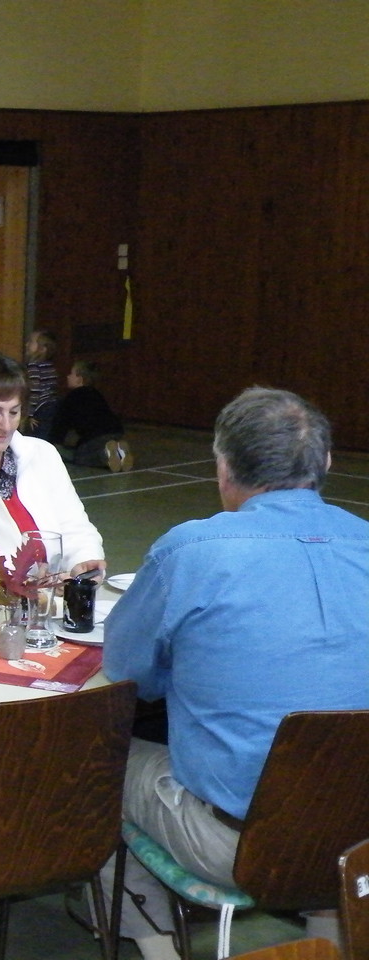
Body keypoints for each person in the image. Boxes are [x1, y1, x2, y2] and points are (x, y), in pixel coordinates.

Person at [102, 386, 369, 959]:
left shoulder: (190, 551)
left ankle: (154, 944)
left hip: (237, 843)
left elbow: (126, 674)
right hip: (359, 831)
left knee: (93, 758)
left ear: (223, 467)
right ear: (325, 462)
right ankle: (328, 935)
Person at [0, 350, 104, 612]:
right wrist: (20, 597)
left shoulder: (42, 454)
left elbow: (76, 528)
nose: (6, 425)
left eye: (14, 412)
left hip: (50, 608)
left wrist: (84, 562)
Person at [48, 358, 132, 471]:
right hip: (115, 431)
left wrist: (53, 443)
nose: (68, 376)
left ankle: (105, 455)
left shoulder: (71, 397)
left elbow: (61, 424)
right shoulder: (96, 393)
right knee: (95, 446)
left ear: (80, 379)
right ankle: (119, 453)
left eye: (71, 374)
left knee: (80, 457)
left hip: (95, 436)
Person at [23, 328, 59, 438]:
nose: (26, 345)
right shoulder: (50, 367)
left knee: (36, 437)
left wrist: (29, 414)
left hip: (40, 408)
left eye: (31, 342)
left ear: (42, 349)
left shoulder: (33, 366)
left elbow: (34, 390)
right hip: (53, 405)